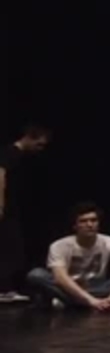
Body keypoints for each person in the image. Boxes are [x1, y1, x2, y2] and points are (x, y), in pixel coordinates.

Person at [26, 201, 110, 311]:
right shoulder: (59, 245)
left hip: (98, 287)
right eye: (83, 221)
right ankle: (85, 301)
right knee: (36, 275)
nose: (89, 225)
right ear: (75, 226)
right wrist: (91, 301)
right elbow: (60, 277)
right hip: (69, 287)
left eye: (93, 220)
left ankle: (71, 302)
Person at [0, 124, 51, 303]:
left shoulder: (20, 156)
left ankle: (8, 288)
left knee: (13, 247)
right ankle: (4, 289)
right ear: (29, 137)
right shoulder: (10, 153)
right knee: (9, 248)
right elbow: (0, 176)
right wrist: (1, 205)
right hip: (6, 209)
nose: (40, 149)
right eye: (39, 144)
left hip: (13, 208)